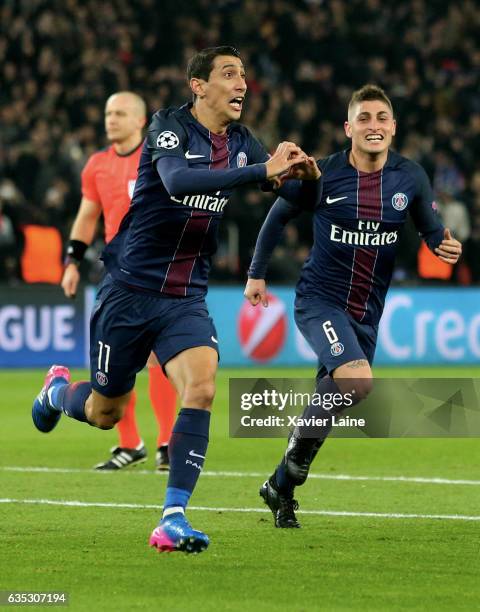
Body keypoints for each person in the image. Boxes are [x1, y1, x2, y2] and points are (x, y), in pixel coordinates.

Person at [31, 46, 313, 553]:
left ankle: (173, 517)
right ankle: (55, 393)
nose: (242, 83)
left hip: (184, 296)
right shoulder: (169, 127)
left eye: (245, 75)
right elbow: (179, 182)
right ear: (199, 85)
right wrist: (262, 172)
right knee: (104, 413)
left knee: (201, 388)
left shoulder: (244, 143)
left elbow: (290, 196)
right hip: (129, 291)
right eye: (229, 74)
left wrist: (305, 178)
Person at [244, 84, 462, 529]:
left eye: (382, 118)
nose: (374, 126)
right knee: (358, 382)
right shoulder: (322, 175)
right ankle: (293, 461)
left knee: (335, 397)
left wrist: (442, 244)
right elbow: (278, 215)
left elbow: (429, 228)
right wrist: (256, 272)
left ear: (394, 127)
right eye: (364, 118)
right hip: (320, 300)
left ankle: (281, 485)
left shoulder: (410, 177)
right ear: (349, 128)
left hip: (367, 312)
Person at [61, 91, 176, 471]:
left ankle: (166, 443)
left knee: (160, 356)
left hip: (159, 269)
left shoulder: (159, 158)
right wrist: (73, 261)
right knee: (117, 361)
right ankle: (130, 444)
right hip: (116, 272)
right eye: (108, 112)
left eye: (120, 113)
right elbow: (87, 215)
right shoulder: (96, 165)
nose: (111, 119)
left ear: (140, 121)